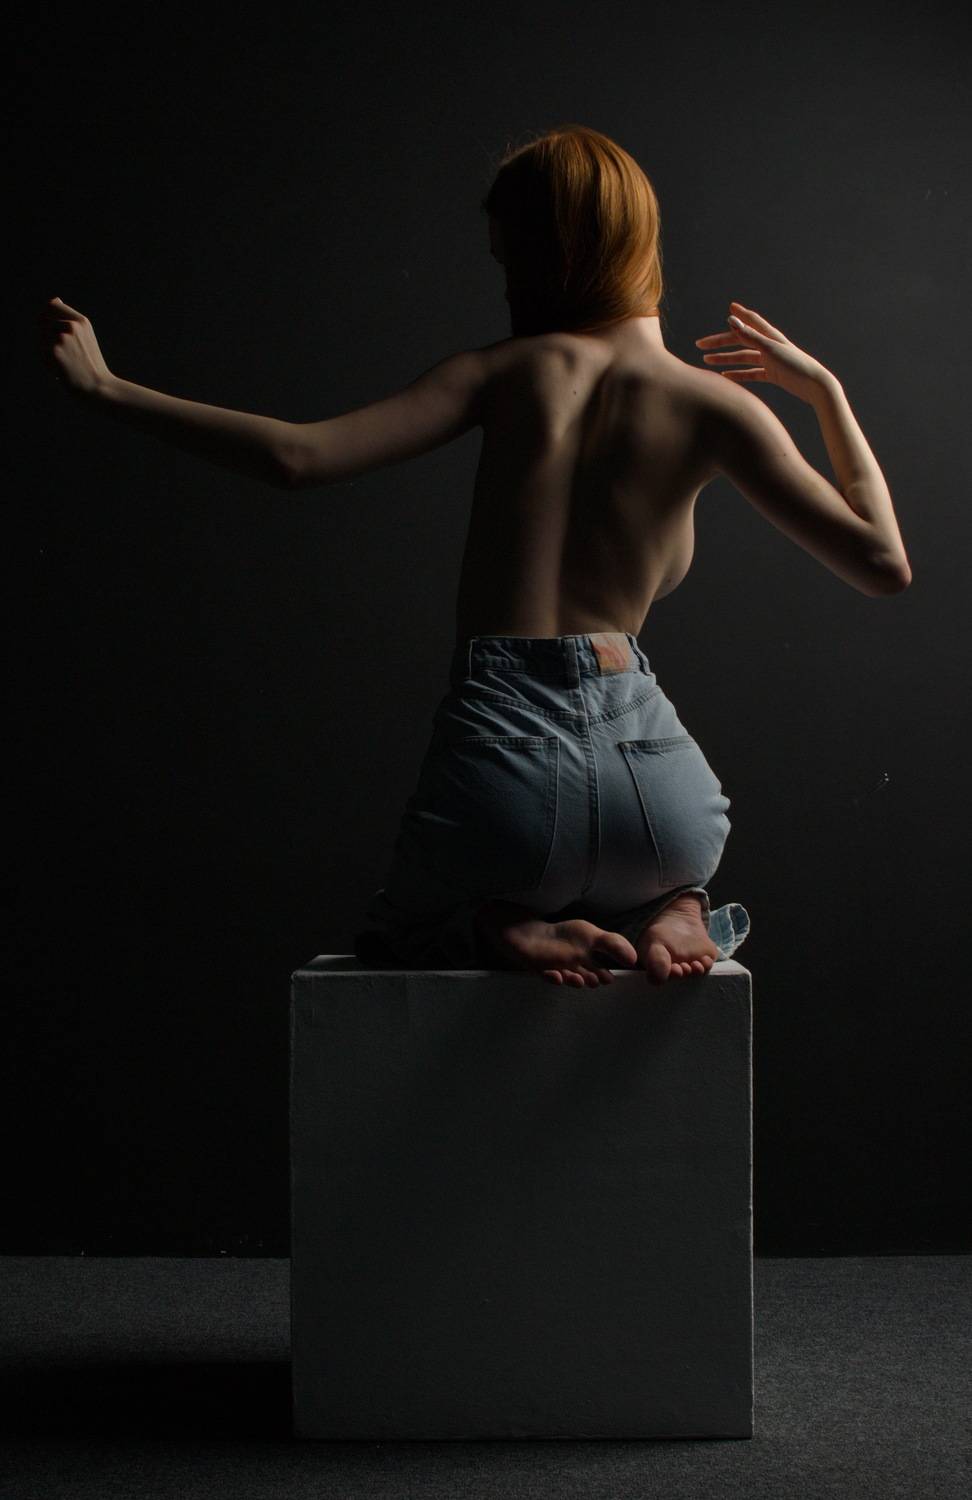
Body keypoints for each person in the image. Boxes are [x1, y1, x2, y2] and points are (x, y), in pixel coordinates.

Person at [40, 124, 911, 988]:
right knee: (664, 874)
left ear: (547, 255)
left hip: (505, 760)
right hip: (661, 788)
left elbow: (295, 457)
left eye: (509, 259)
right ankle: (675, 903)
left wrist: (109, 390)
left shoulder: (501, 373)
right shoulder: (718, 406)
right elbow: (883, 562)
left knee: (401, 931)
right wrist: (824, 393)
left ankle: (499, 927)